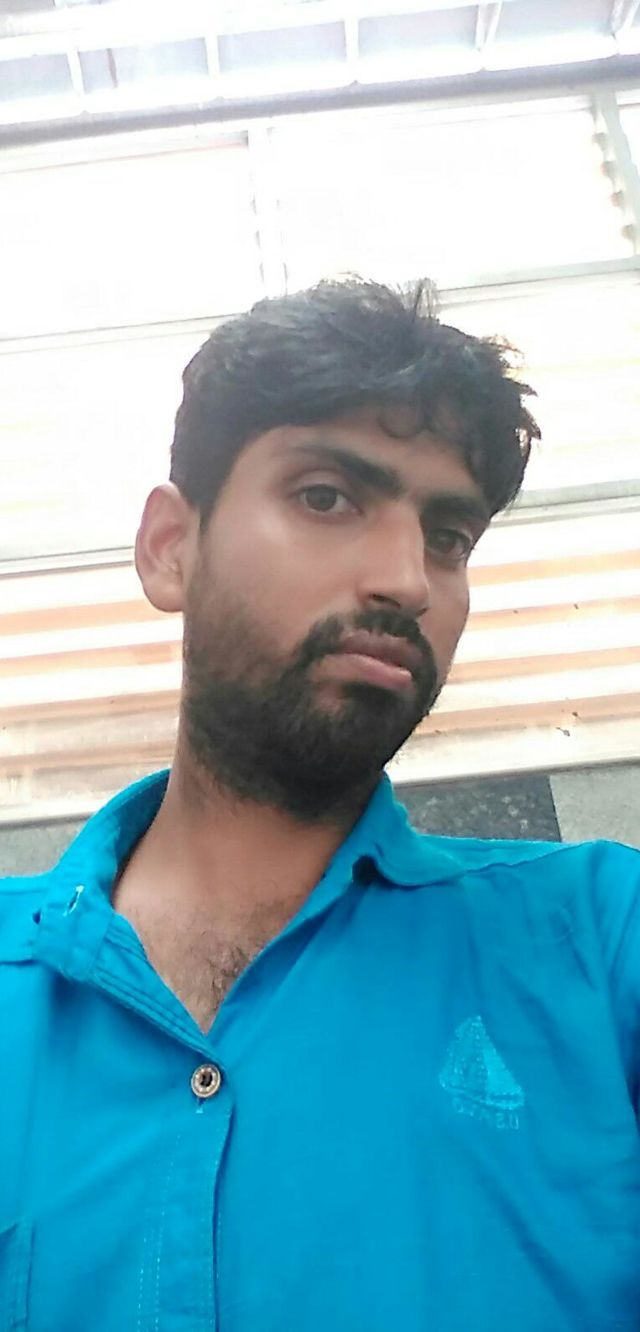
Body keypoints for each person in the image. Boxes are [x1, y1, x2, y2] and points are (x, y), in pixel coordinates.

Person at [1, 278, 638, 1331]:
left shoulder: (597, 940)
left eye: (449, 535)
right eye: (327, 497)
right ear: (171, 548)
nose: (408, 580)